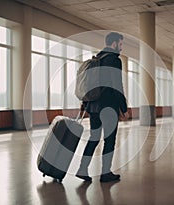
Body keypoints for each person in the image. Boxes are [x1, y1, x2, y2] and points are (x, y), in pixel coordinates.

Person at [76, 32, 129, 183]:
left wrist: (86, 105)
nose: (121, 47)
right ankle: (105, 173)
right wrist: (124, 108)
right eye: (120, 44)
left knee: (94, 138)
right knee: (109, 140)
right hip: (108, 107)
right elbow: (117, 85)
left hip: (93, 106)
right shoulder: (114, 60)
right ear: (114, 44)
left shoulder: (96, 59)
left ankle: (82, 169)